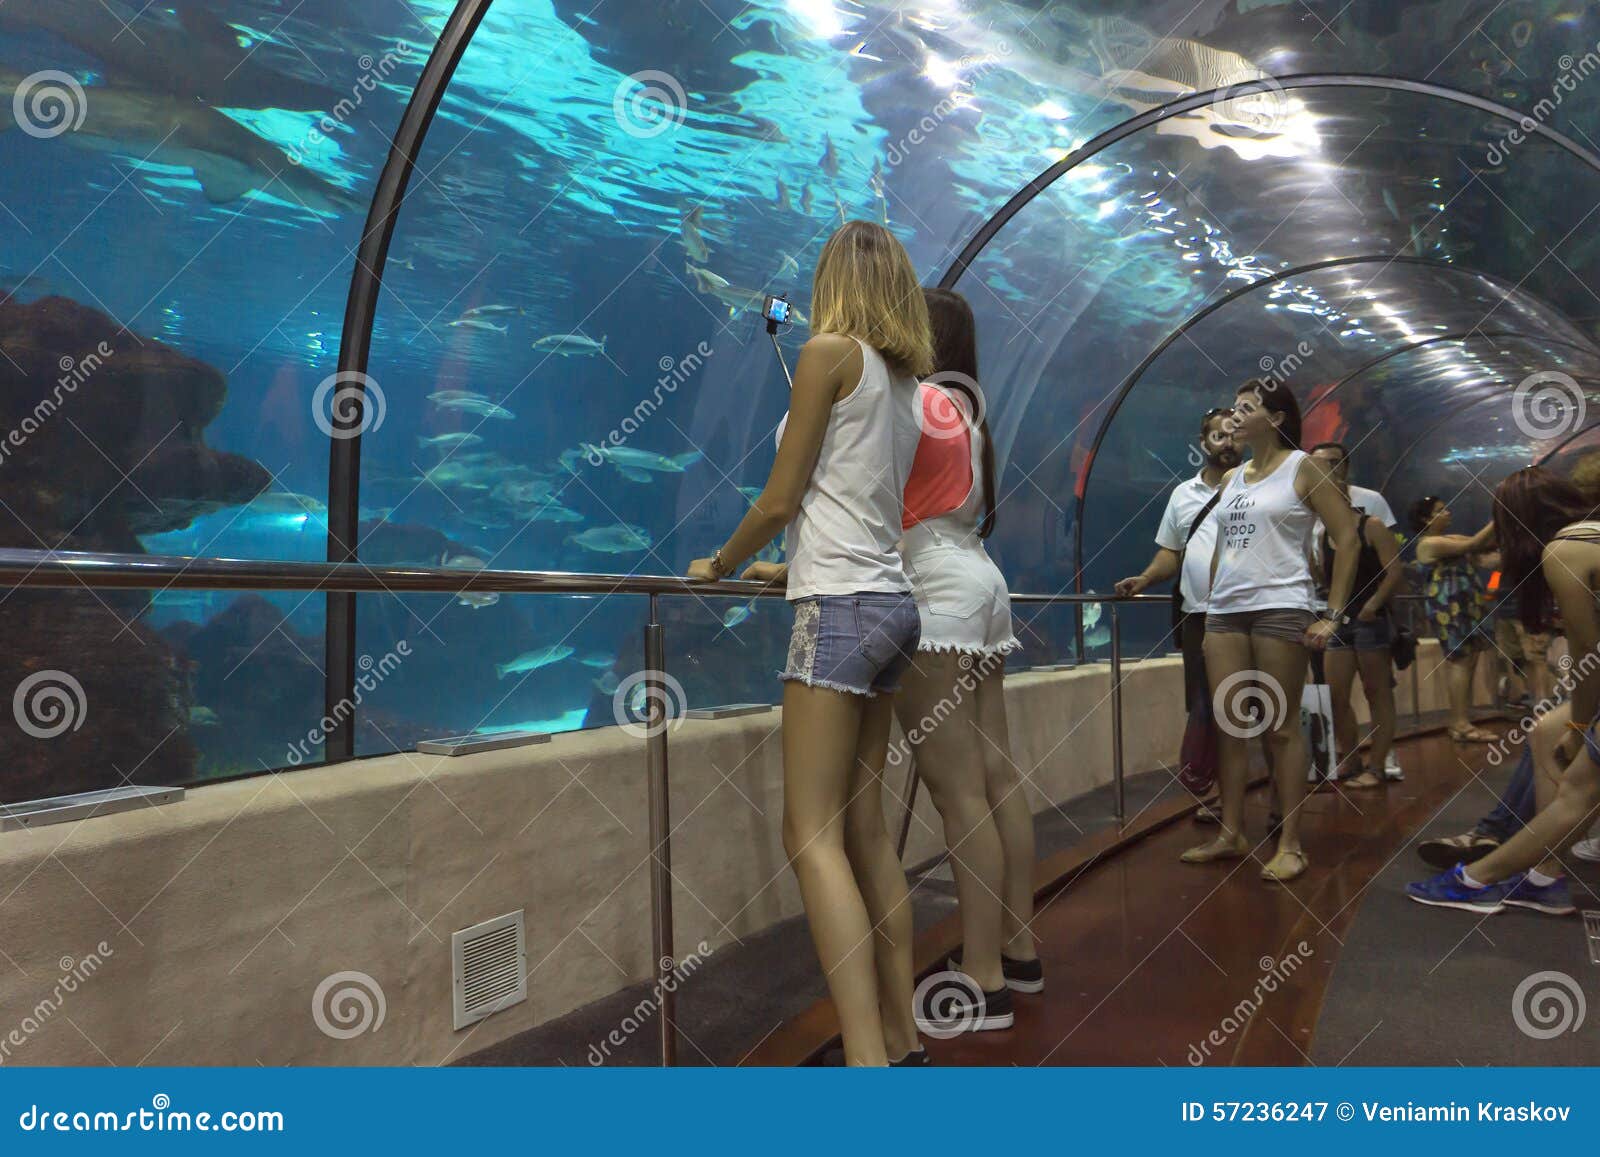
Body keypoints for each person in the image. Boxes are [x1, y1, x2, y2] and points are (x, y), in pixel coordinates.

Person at [687, 220, 929, 1065]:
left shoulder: (827, 352)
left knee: (810, 834)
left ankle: (864, 1061)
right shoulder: (907, 384)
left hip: (841, 610)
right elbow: (854, 503)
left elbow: (783, 498)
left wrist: (721, 562)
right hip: (894, 606)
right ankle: (902, 1037)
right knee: (865, 832)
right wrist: (782, 573)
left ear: (834, 280)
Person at [894, 288, 1037, 1028]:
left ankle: (982, 980)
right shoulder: (968, 411)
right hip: (983, 579)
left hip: (933, 587)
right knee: (996, 769)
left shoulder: (912, 400)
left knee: (958, 791)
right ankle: (1018, 943)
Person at [1181, 379, 1360, 883]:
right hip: (1226, 612)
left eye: (1246, 409)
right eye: (1234, 408)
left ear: (1276, 418)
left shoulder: (1306, 468)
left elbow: (1346, 539)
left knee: (1280, 728)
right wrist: (1215, 594)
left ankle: (1290, 843)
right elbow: (1223, 545)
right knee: (1230, 724)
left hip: (1281, 607)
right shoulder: (1234, 476)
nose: (1235, 417)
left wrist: (1334, 613)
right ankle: (1232, 831)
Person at [1408, 468, 1600, 916]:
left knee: (1578, 784)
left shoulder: (1565, 549)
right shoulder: (1587, 533)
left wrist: (1579, 728)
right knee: (1546, 730)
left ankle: (1476, 880)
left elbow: (1589, 657)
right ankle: (1543, 876)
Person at [1116, 408, 1239, 821]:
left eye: (1234, 436)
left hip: (1243, 614)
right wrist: (1145, 578)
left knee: (1247, 706)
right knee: (1206, 706)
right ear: (1203, 443)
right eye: (1218, 437)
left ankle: (1273, 799)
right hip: (1197, 616)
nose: (1227, 444)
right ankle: (1224, 797)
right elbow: (1172, 551)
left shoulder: (1254, 488)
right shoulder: (1183, 495)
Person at [1308, 443, 1404, 788]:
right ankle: (1349, 758)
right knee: (1336, 695)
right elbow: (1323, 577)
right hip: (1339, 621)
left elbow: (1394, 571)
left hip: (1368, 621)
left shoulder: (1372, 524)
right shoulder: (1325, 535)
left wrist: (1373, 605)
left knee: (1377, 692)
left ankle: (1376, 766)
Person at [1408, 496, 1496, 742]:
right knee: (1460, 660)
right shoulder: (1428, 544)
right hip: (1449, 606)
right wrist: (1501, 515)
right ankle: (1459, 723)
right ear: (1426, 519)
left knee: (1468, 660)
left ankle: (1462, 719)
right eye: (1440, 510)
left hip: (1466, 604)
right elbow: (1477, 543)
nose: (1447, 512)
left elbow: (1483, 547)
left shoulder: (1451, 538)